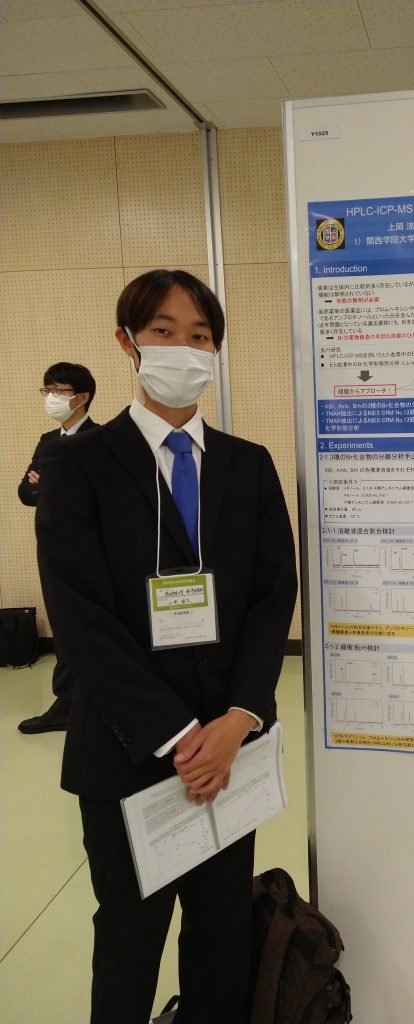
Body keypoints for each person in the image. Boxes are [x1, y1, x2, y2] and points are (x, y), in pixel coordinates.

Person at [35, 270, 297, 1024]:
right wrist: (182, 737)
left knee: (221, 936)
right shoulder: (80, 466)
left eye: (200, 335)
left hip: (231, 751)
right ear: (128, 343)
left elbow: (270, 600)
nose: (184, 347)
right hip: (128, 751)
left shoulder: (247, 466)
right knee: (129, 936)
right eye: (163, 331)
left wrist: (239, 718)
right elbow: (80, 620)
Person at [18, 362, 98, 734]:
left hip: (91, 552)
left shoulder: (101, 440)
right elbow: (26, 491)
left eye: (58, 391)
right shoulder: (48, 441)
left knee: (91, 628)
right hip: (52, 550)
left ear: (81, 397)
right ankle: (66, 704)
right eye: (46, 390)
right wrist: (43, 485)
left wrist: (48, 484)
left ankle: (93, 702)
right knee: (63, 627)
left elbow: (94, 497)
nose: (50, 397)